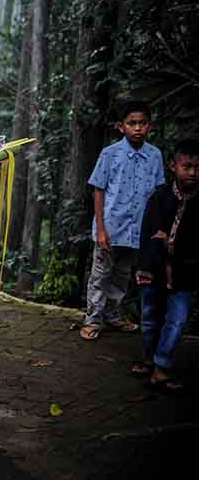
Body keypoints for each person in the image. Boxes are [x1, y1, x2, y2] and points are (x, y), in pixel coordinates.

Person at [80, 100, 164, 341]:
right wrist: (101, 230)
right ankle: (93, 319)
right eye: (132, 123)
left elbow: (159, 192)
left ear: (149, 126)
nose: (137, 128)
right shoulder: (110, 154)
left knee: (123, 273)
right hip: (110, 227)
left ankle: (113, 316)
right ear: (121, 126)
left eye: (142, 123)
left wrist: (156, 228)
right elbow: (98, 190)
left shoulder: (155, 156)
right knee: (101, 274)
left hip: (138, 230)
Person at [133, 138, 198, 393]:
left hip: (185, 273)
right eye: (187, 166)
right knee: (150, 318)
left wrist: (172, 243)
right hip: (155, 270)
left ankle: (161, 367)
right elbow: (149, 235)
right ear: (173, 166)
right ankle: (150, 359)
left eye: (197, 167)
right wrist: (146, 266)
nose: (192, 173)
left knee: (178, 320)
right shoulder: (160, 197)